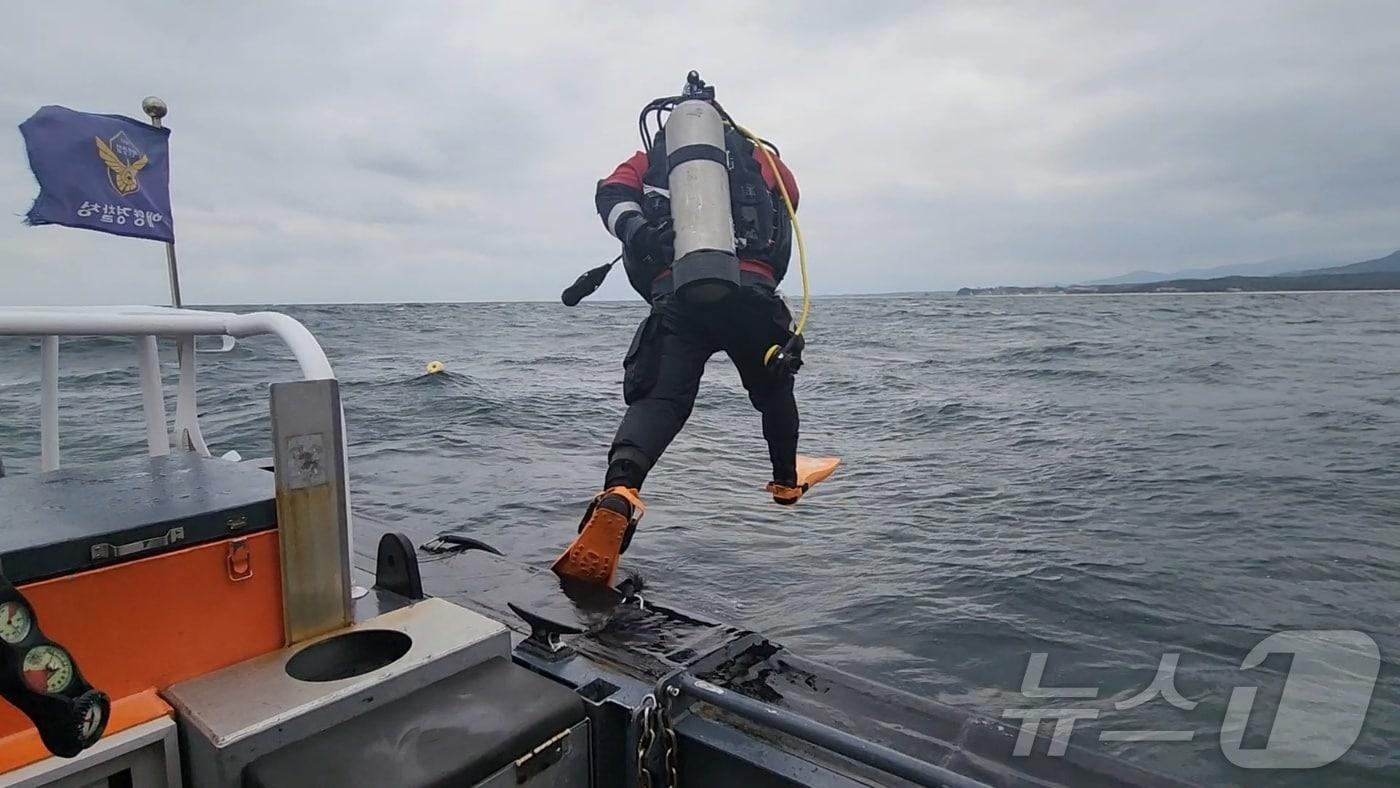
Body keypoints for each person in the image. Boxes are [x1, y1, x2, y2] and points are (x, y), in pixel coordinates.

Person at [551, 100, 805, 587]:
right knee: (774, 391)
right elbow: (791, 201)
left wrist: (642, 230)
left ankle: (621, 494)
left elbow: (610, 194)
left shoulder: (650, 160)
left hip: (678, 293)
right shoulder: (761, 159)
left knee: (660, 400)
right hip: (751, 293)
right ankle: (786, 482)